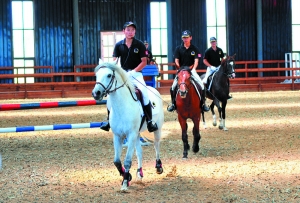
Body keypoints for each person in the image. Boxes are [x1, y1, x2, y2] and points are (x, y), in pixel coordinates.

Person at [100, 21, 158, 133]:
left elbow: (144, 62)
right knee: (111, 95)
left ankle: (150, 121)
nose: (130, 32)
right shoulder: (118, 45)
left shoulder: (140, 45)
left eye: (132, 30)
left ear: (135, 31)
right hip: (122, 74)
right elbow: (115, 61)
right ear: (124, 31)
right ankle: (108, 121)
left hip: (136, 74)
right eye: (128, 30)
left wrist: (133, 71)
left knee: (144, 93)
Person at [167, 30, 210, 112]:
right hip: (181, 71)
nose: (185, 39)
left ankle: (203, 104)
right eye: (184, 37)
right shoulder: (178, 49)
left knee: (201, 85)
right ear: (182, 38)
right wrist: (180, 69)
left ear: (191, 38)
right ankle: (173, 103)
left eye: (187, 37)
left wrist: (193, 69)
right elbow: (176, 61)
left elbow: (196, 61)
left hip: (191, 70)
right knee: (173, 87)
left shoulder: (195, 49)